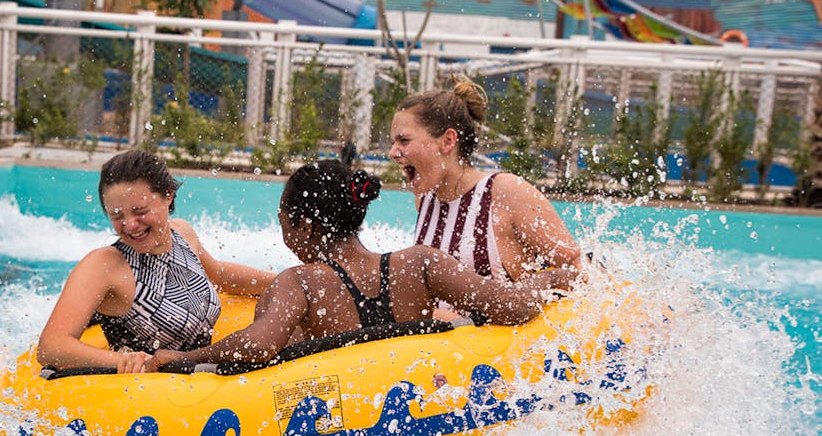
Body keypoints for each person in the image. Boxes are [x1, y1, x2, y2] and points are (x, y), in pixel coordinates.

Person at [147, 161, 576, 369]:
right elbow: (512, 305)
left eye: (283, 222)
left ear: (303, 226)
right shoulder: (420, 265)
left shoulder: (299, 284)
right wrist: (557, 277)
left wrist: (179, 358)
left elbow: (254, 347)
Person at [36, 149, 273, 373]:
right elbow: (51, 347)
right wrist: (123, 360)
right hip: (148, 396)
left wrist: (284, 281)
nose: (129, 225)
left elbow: (220, 275)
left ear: (168, 195)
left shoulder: (182, 233)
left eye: (139, 211)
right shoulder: (104, 265)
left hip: (199, 378)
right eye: (117, 216)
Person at [389, 75, 583, 284]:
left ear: (447, 141)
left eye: (404, 140)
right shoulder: (426, 199)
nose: (392, 152)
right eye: (393, 142)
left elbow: (577, 269)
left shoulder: (504, 192)